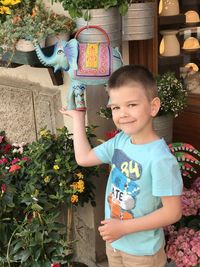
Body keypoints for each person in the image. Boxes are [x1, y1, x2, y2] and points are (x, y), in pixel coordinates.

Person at [60, 65, 183, 267]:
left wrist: (124, 228)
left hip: (143, 255)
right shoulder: (121, 141)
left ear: (153, 107)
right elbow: (84, 158)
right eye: (116, 107)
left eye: (132, 105)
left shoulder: (160, 159)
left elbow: (173, 212)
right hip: (116, 245)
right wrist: (78, 119)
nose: (122, 114)